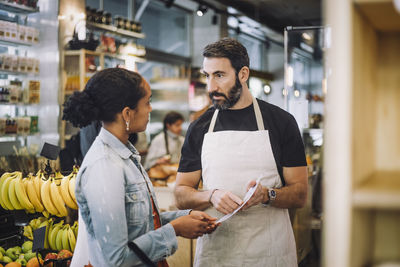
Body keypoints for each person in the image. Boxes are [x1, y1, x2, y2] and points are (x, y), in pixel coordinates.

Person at [62, 68, 217, 267]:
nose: (150, 109)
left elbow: (140, 223)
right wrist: (175, 229)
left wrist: (183, 217)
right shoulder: (105, 167)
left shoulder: (126, 156)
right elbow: (115, 259)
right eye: (147, 102)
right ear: (127, 113)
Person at [174, 38, 308, 267]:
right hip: (217, 254)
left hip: (270, 253)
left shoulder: (281, 122)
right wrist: (210, 195)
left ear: (243, 74)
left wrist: (267, 195)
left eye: (220, 75)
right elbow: (180, 194)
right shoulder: (200, 127)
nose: (211, 87)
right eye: (207, 76)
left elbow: (300, 194)